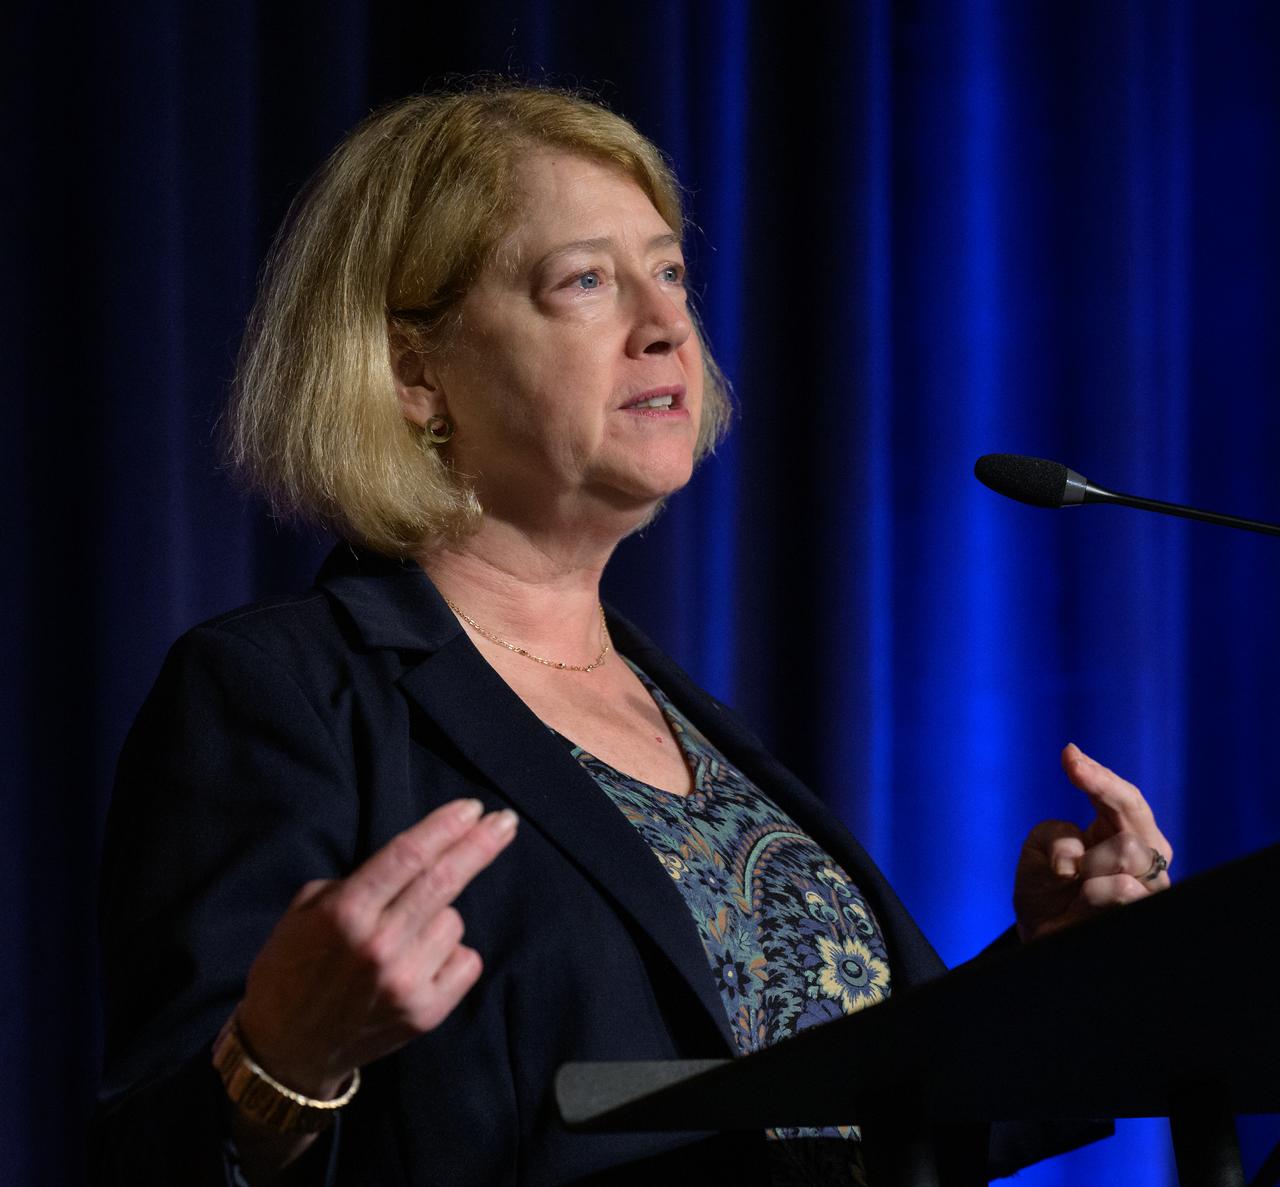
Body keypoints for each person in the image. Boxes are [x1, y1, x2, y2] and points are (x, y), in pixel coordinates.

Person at [95, 85, 1173, 1187]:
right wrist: (282, 1059)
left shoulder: (687, 719)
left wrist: (1051, 968)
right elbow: (150, 1156)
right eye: (583, 282)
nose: (663, 324)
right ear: (415, 372)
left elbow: (861, 1115)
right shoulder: (283, 693)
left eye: (665, 272)